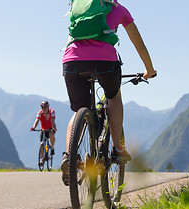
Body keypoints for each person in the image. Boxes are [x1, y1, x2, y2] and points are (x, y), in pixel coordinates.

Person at [60, 0, 156, 185]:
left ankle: (69, 155)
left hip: (71, 61)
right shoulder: (118, 9)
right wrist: (149, 70)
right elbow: (139, 45)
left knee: (79, 110)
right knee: (114, 96)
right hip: (105, 62)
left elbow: (71, 37)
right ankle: (118, 148)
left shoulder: (78, 6)